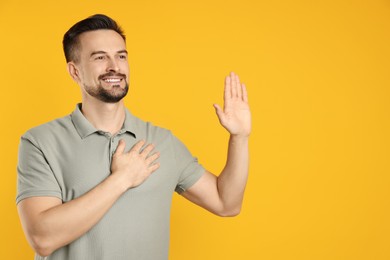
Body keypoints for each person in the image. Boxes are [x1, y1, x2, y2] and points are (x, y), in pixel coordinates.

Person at [16, 14, 251, 260]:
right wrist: (122, 179)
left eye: (121, 56)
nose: (114, 66)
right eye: (99, 57)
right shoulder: (40, 141)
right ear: (75, 71)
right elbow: (42, 238)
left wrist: (240, 138)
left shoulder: (161, 141)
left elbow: (227, 204)